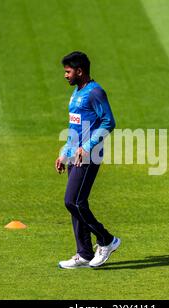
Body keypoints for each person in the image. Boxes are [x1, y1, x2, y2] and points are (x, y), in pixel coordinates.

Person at [55, 51, 121, 269]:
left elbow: (108, 122)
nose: (65, 75)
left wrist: (87, 146)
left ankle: (107, 240)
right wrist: (64, 153)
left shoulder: (95, 92)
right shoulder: (76, 94)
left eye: (68, 71)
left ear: (80, 71)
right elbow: (74, 128)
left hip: (89, 155)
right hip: (75, 155)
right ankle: (83, 253)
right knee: (74, 204)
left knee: (73, 201)